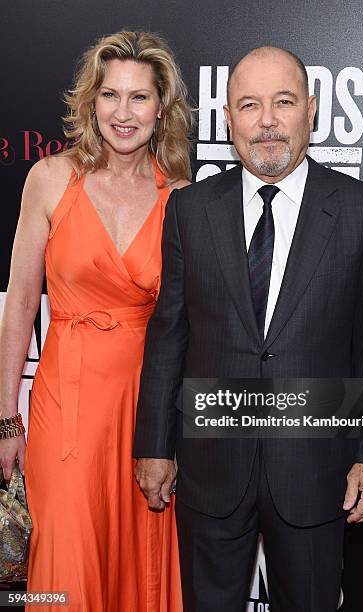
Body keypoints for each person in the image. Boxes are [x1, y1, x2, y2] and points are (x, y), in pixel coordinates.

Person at [133, 46, 363, 612]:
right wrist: (154, 445)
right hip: (211, 472)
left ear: (311, 111)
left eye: (283, 102)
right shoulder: (189, 210)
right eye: (249, 105)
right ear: (228, 120)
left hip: (314, 473)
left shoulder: (362, 210)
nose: (267, 121)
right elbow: (169, 337)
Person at [0, 30, 193, 611]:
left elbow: (192, 323)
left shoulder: (181, 196)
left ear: (162, 108)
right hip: (68, 401)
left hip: (149, 404)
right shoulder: (50, 179)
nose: (123, 112)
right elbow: (20, 302)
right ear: (91, 102)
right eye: (111, 95)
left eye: (139, 98)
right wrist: (7, 418)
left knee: (142, 556)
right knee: (69, 556)